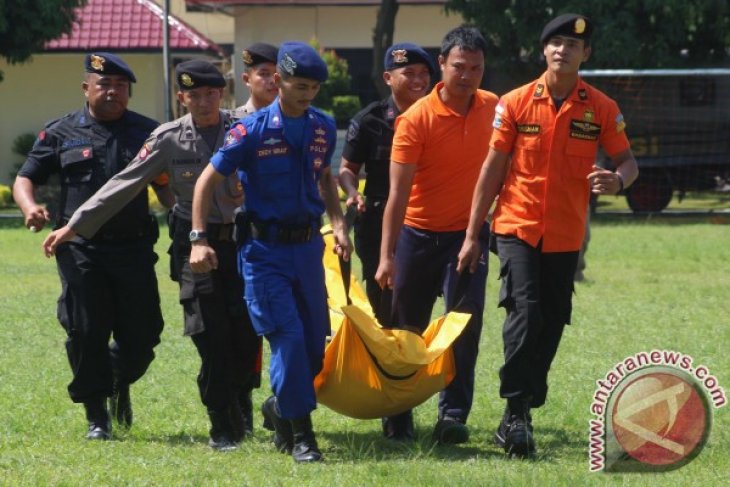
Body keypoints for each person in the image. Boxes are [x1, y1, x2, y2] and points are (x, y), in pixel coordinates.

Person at [41, 60, 263, 451]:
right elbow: (124, 183)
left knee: (245, 334)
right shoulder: (167, 137)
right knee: (210, 335)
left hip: (245, 242)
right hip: (194, 244)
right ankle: (221, 423)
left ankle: (239, 400)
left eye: (211, 93)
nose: (204, 102)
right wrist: (74, 225)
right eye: (194, 95)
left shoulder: (247, 128)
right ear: (181, 99)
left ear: (223, 95)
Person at [457, 14, 639, 458]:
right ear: (544, 51)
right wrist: (472, 233)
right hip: (516, 226)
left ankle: (520, 407)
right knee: (526, 310)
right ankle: (516, 410)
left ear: (585, 54)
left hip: (566, 232)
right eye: (555, 44)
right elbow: (492, 169)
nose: (563, 51)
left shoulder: (601, 107)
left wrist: (619, 181)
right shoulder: (516, 103)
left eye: (572, 46)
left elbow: (628, 163)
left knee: (554, 318)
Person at [189, 41, 352, 463]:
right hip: (264, 253)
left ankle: (281, 408)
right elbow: (206, 181)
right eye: (300, 85)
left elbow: (324, 178)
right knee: (289, 340)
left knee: (316, 345)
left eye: (314, 87)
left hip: (307, 251)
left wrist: (338, 224)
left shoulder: (322, 126)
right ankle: (303, 435)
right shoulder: (251, 130)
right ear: (278, 81)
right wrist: (199, 238)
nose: (307, 94)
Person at [12, 52, 165, 440]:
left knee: (144, 335)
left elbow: (168, 186)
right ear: (87, 88)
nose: (113, 92)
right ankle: (97, 414)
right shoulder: (62, 132)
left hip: (133, 248)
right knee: (86, 329)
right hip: (80, 249)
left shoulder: (150, 134)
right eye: (104, 85)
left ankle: (117, 378)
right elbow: (24, 178)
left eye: (121, 86)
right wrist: (31, 208)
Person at [374, 26, 498, 444]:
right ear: (441, 65)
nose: (467, 75)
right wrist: (387, 256)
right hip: (418, 236)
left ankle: (453, 415)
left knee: (463, 326)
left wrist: (477, 233)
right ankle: (398, 413)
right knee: (406, 330)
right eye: (459, 66)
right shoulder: (415, 120)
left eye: (476, 68)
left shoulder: (494, 108)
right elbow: (397, 195)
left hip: (468, 237)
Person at [338, 42, 434, 325]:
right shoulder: (369, 120)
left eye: (423, 73)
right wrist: (353, 192)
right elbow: (346, 169)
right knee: (385, 306)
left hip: (428, 221)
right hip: (379, 223)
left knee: (419, 302)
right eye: (409, 73)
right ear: (388, 78)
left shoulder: (439, 116)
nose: (418, 81)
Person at [232, 42, 279, 119]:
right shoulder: (234, 121)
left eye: (277, 74)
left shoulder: (293, 119)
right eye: (264, 74)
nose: (273, 80)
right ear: (247, 79)